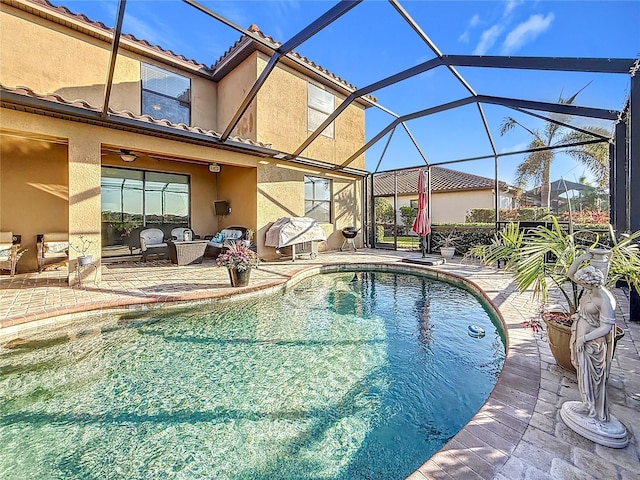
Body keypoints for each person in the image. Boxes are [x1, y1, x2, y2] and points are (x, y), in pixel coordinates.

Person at [566, 251, 617, 422]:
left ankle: (594, 410)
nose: (582, 286)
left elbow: (607, 327)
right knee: (582, 373)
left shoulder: (605, 299)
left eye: (585, 285)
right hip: (580, 337)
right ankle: (586, 404)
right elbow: (570, 274)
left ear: (592, 283)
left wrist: (585, 338)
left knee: (593, 377)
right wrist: (581, 258)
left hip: (592, 343)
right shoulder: (589, 290)